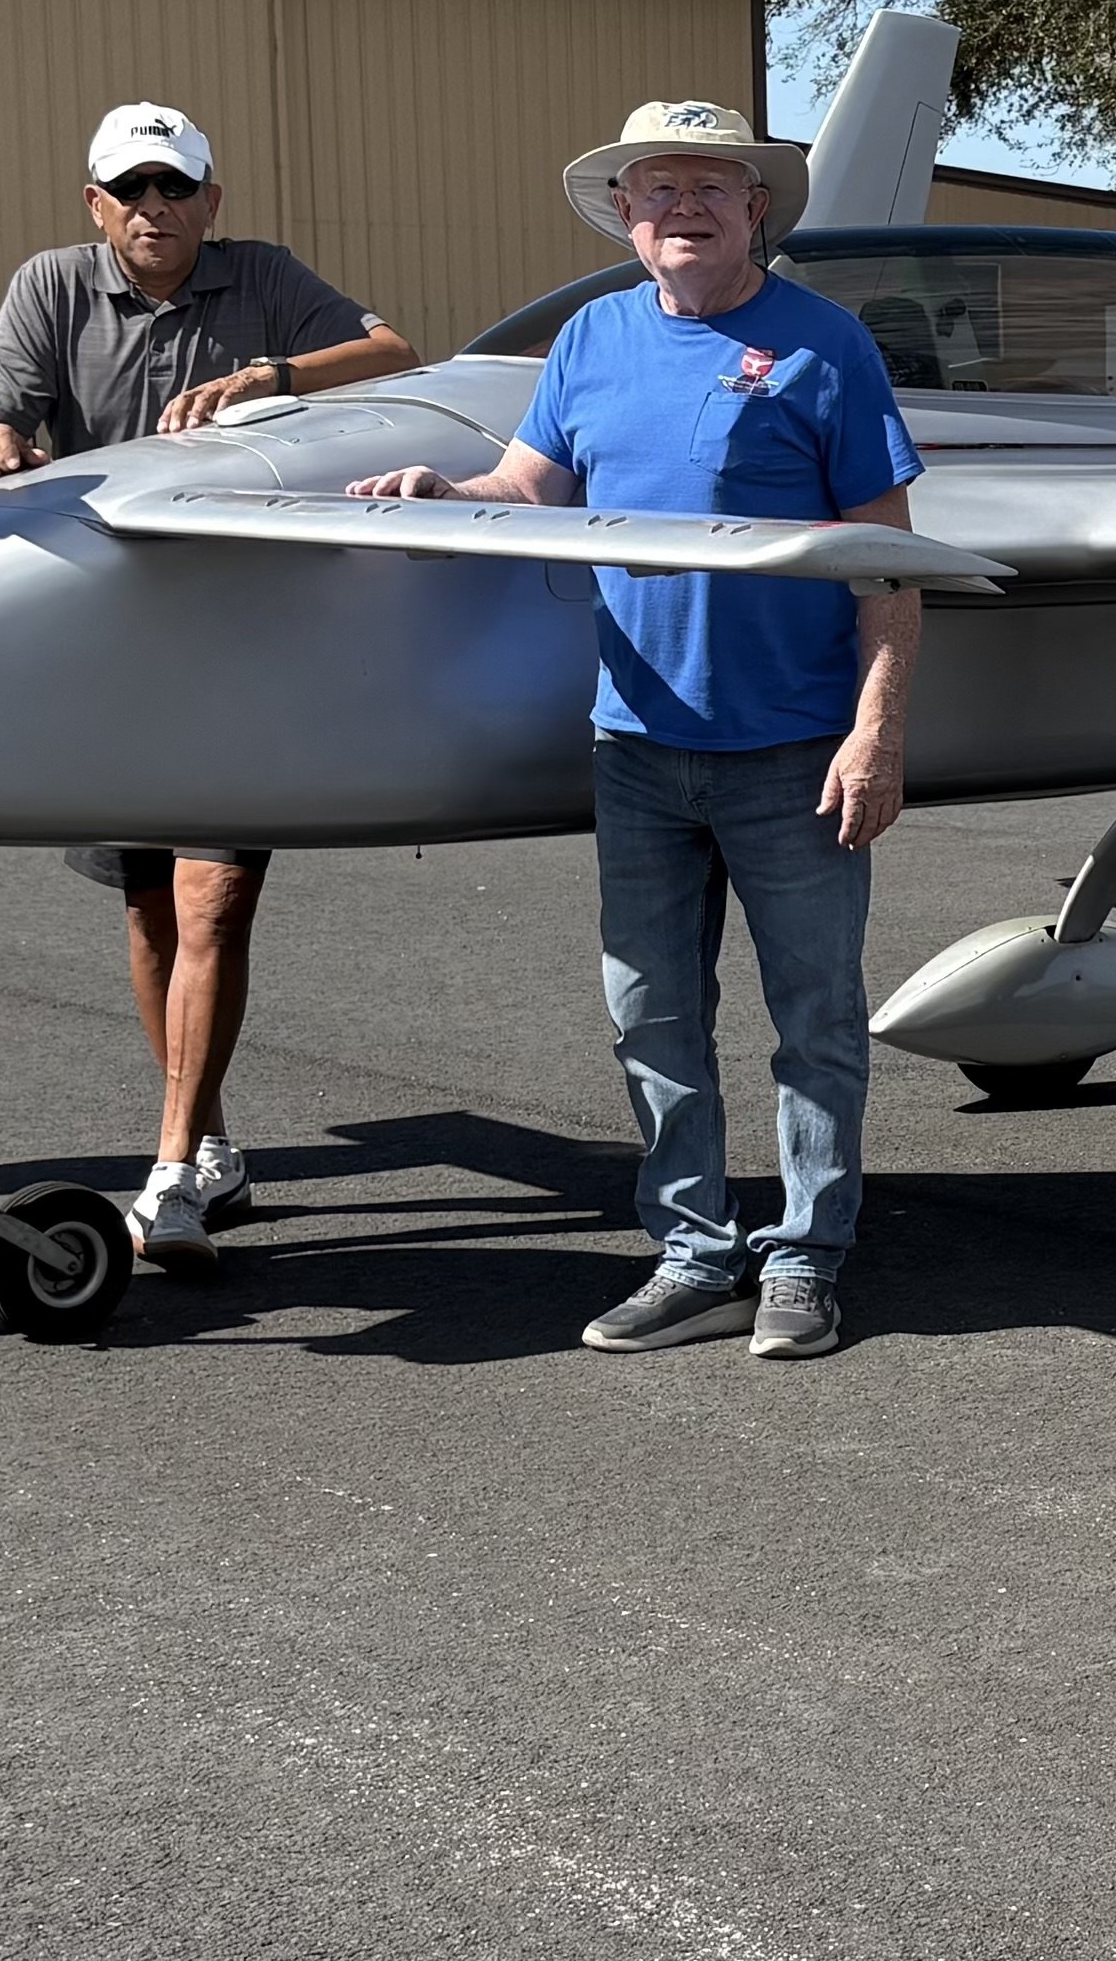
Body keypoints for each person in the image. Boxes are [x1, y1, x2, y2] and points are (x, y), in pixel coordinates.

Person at [351, 98, 920, 1365]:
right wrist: (445, 491)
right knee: (651, 1013)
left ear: (756, 207)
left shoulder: (826, 347)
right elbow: (531, 486)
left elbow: (889, 563)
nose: (683, 209)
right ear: (624, 212)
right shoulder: (590, 339)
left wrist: (875, 731)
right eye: (657, 189)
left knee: (813, 1015)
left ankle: (809, 1256)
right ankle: (693, 1252)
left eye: (712, 187)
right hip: (639, 743)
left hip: (791, 748)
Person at [0, 101, 419, 1270]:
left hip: (241, 641)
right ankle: (205, 1134)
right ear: (96, 206)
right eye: (131, 192)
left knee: (214, 901)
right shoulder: (51, 286)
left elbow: (394, 350)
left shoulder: (260, 277)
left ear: (213, 201)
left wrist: (270, 371)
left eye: (176, 190)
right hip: (113, 643)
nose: (154, 211)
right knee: (149, 907)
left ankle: (167, 1176)